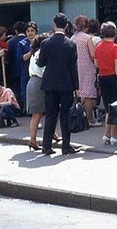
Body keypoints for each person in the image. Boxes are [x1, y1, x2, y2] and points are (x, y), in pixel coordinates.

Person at [37, 13, 81, 156]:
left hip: (49, 83)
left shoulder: (45, 43)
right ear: (66, 26)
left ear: (54, 24)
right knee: (65, 115)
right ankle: (66, 146)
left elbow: (41, 62)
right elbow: (73, 67)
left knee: (50, 115)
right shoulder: (71, 44)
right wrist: (76, 87)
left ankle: (46, 146)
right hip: (66, 84)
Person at [96, 21, 117, 146]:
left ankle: (106, 134)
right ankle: (115, 136)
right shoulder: (116, 48)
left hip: (103, 77)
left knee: (109, 107)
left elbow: (96, 64)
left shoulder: (98, 46)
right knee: (116, 107)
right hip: (114, 78)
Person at [71, 15, 100, 127]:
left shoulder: (72, 38)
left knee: (81, 93)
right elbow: (93, 55)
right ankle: (89, 120)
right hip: (87, 67)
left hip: (76, 67)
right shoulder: (88, 38)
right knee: (88, 94)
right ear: (86, 26)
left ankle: (84, 118)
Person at [26, 34, 49, 151]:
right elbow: (44, 70)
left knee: (38, 113)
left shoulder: (34, 54)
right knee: (39, 113)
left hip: (32, 82)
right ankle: (33, 139)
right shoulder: (41, 54)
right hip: (40, 82)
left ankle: (49, 134)